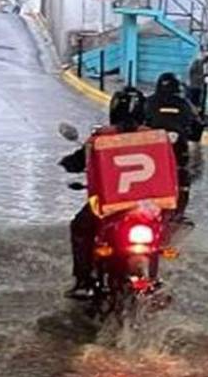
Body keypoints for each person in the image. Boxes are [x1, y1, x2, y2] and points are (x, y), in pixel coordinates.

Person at [60, 86, 148, 299]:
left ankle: (83, 281)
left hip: (110, 205)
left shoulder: (100, 138)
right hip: (146, 207)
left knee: (80, 227)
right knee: (160, 235)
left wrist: (68, 162)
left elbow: (79, 161)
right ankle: (151, 277)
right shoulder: (155, 136)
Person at [144, 72, 204, 168]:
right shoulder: (185, 103)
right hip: (178, 145)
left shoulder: (149, 101)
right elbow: (197, 123)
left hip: (154, 145)